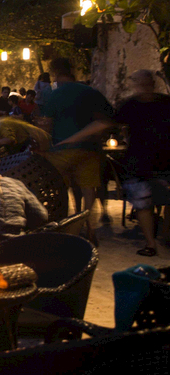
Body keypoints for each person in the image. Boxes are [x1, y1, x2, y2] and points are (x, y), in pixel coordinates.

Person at [40, 57, 115, 243]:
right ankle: (90, 231)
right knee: (89, 192)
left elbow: (46, 125)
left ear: (55, 73)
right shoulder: (90, 92)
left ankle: (62, 231)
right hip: (89, 149)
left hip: (60, 150)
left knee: (59, 191)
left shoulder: (52, 94)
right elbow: (108, 118)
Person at [115, 70, 170, 257]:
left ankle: (153, 242)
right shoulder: (163, 102)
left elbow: (112, 126)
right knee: (148, 204)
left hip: (144, 161)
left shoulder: (130, 105)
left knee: (144, 205)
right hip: (154, 161)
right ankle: (159, 239)